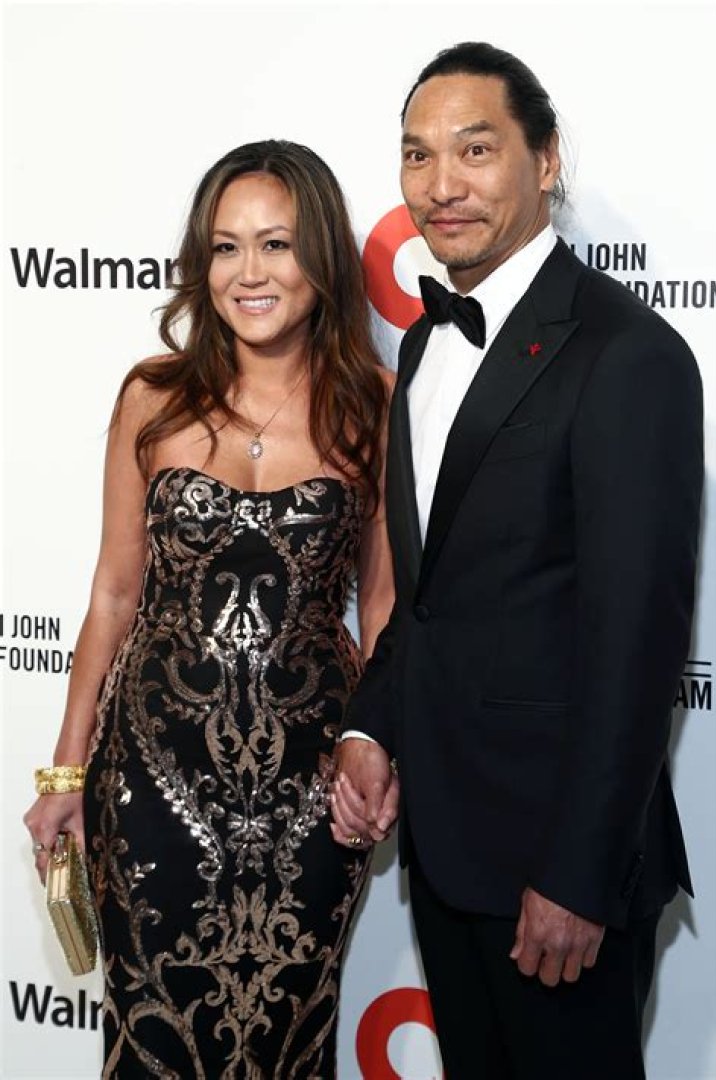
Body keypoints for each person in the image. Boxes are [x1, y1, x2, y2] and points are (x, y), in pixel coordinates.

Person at [331, 42, 703, 1079]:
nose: (440, 184)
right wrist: (371, 723)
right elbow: (432, 595)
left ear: (545, 161)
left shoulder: (629, 355)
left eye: (475, 149)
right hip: (446, 851)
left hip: (560, 871)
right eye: (417, 155)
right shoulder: (420, 349)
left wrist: (579, 874)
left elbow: (638, 645)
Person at [24, 139, 394, 1078]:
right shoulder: (153, 398)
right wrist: (66, 774)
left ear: (321, 255)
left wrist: (384, 745)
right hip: (151, 781)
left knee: (288, 1041)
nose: (248, 273)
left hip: (313, 789)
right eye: (226, 248)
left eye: (275, 244)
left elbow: (386, 605)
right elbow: (114, 592)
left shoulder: (376, 406)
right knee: (154, 1039)